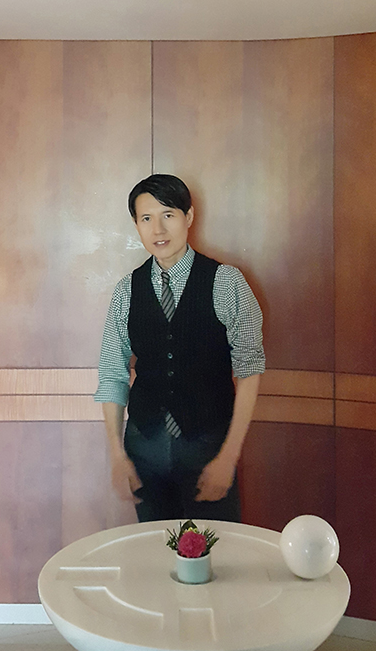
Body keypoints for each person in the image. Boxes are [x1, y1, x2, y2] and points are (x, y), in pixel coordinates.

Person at [94, 174, 265, 522]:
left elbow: (249, 370)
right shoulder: (126, 291)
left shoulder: (227, 282)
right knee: (153, 549)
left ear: (188, 216)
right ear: (136, 225)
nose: (158, 229)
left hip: (209, 445)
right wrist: (116, 454)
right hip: (144, 447)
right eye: (146, 218)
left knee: (216, 547)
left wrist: (228, 457)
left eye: (168, 215)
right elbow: (112, 375)